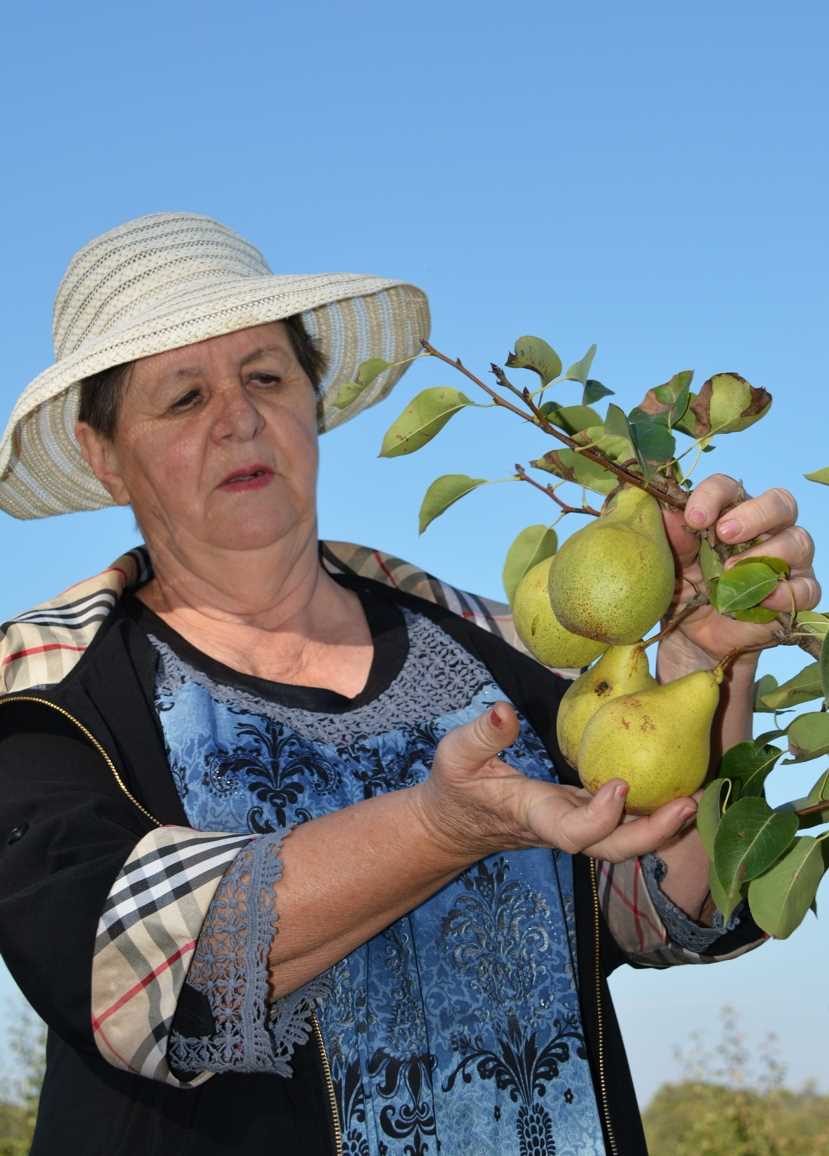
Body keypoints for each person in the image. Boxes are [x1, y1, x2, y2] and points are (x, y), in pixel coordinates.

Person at [0, 212, 818, 1156]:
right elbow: (123, 971)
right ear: (105, 454)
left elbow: (651, 911)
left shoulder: (480, 640)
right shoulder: (52, 693)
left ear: (313, 401)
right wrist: (443, 825)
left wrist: (704, 673)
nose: (238, 417)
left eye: (266, 376)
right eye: (183, 398)